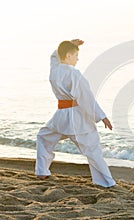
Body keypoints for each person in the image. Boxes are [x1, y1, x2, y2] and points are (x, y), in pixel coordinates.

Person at [35, 39, 116, 188]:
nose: (78, 59)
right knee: (92, 150)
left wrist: (67, 45)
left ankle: (42, 171)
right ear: (68, 56)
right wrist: (101, 116)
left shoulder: (55, 70)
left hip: (60, 117)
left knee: (43, 137)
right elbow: (86, 97)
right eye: (76, 55)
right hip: (76, 118)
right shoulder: (74, 73)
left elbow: (54, 58)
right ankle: (106, 182)